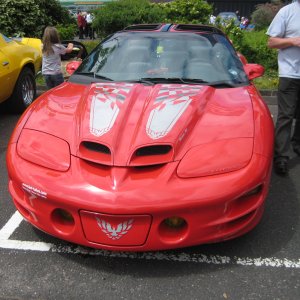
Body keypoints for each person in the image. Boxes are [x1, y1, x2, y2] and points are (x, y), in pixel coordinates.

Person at [267, 0, 300, 175]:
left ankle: (297, 144)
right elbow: (271, 42)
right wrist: (293, 41)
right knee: (286, 115)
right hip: (290, 73)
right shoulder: (287, 11)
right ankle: (281, 157)